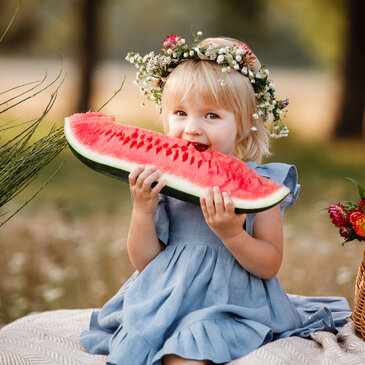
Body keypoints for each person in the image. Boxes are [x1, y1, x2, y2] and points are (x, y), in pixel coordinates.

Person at [79, 33, 350, 365]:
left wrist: (232, 234)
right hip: (166, 298)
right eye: (180, 113)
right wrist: (142, 212)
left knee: (185, 355)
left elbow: (269, 264)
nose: (192, 128)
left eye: (211, 116)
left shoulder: (262, 183)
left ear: (246, 124)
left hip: (232, 304)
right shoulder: (161, 182)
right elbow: (145, 262)